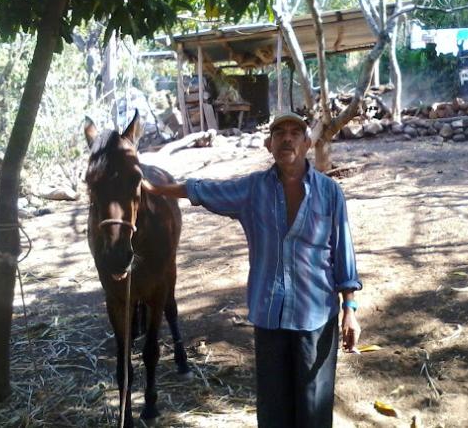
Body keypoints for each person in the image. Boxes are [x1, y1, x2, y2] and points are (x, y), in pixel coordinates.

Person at [143, 111, 362, 428]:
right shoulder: (252, 190)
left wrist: (350, 309)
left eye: (295, 133)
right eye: (279, 133)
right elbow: (202, 189)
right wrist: (154, 190)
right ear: (269, 145)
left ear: (307, 143)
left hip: (316, 317)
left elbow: (343, 252)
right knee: (273, 409)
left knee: (314, 409)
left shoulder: (330, 192)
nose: (287, 138)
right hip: (269, 317)